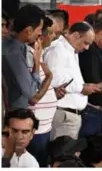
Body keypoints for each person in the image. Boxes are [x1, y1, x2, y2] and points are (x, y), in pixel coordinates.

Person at [44, 22, 101, 140]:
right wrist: (81, 88)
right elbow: (54, 79)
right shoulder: (57, 49)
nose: (87, 48)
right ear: (75, 35)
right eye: (86, 43)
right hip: (63, 115)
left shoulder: (71, 50)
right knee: (61, 155)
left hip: (70, 116)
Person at [25, 17, 57, 167]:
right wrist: (49, 76)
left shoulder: (39, 55)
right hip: (36, 129)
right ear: (40, 36)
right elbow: (33, 95)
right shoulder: (29, 57)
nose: (53, 36)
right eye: (49, 33)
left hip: (44, 127)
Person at [2, 5, 46, 110]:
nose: (40, 33)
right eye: (39, 29)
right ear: (29, 30)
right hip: (13, 114)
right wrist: (36, 63)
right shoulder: (13, 51)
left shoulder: (18, 48)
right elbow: (30, 92)